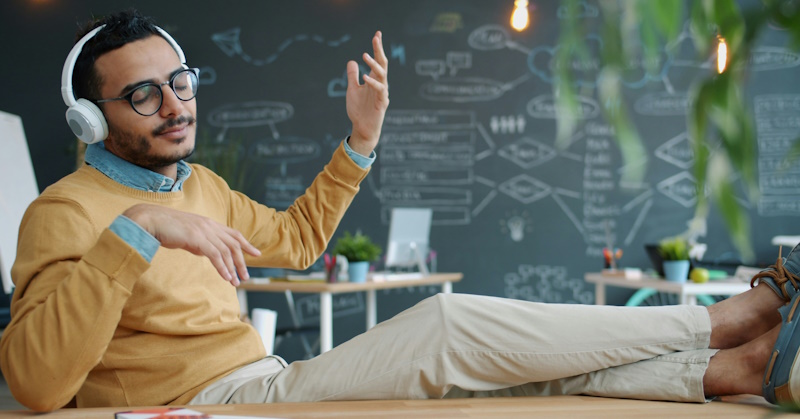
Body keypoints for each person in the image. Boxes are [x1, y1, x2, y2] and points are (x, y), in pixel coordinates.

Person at [1, 8, 799, 413]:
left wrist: (360, 137)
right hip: (206, 403)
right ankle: (718, 322)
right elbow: (36, 383)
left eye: (181, 81)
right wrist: (136, 233)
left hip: (271, 379)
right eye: (143, 94)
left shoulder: (198, 183)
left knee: (493, 374)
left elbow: (298, 241)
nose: (174, 104)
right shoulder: (62, 212)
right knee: (447, 327)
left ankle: (742, 368)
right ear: (92, 119)